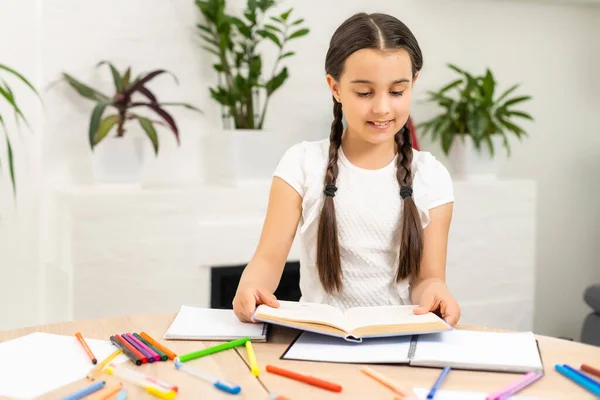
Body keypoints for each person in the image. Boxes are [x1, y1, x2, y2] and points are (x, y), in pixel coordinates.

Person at [232, 12, 461, 326]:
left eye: (396, 92)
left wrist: (437, 291)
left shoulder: (431, 177)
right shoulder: (301, 164)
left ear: (413, 84)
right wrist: (251, 286)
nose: (382, 107)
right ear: (335, 87)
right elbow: (268, 260)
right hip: (316, 340)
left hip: (394, 340)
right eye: (364, 92)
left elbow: (427, 280)